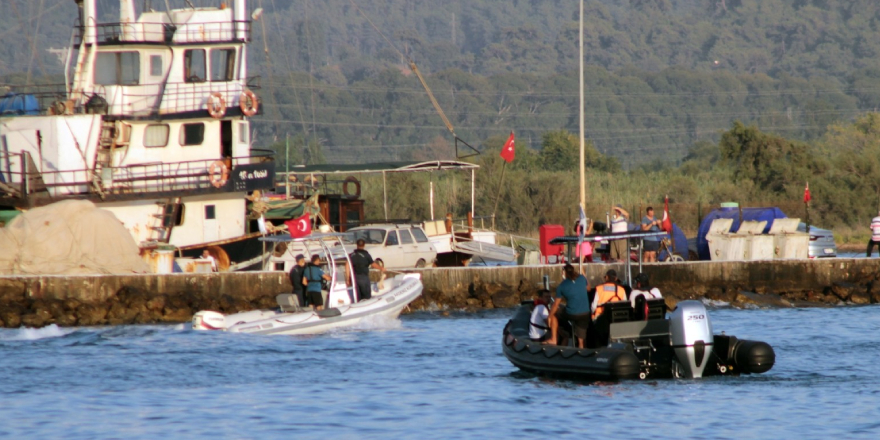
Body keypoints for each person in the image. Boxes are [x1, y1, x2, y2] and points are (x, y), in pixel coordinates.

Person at [545, 264, 592, 348]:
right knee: (581, 339)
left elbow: (556, 304)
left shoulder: (562, 286)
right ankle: (582, 353)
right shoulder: (582, 278)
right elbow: (589, 289)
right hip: (585, 313)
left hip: (571, 314)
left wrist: (549, 316)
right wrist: (584, 277)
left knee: (555, 314)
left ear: (564, 272)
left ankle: (553, 339)